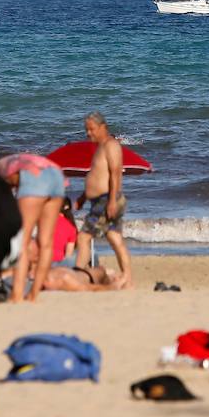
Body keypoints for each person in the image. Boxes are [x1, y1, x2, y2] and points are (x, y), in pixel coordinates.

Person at [0, 153, 66, 302]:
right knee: (46, 243)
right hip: (57, 175)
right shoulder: (14, 160)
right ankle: (34, 293)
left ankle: (17, 294)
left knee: (22, 241)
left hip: (34, 177)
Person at [74, 112, 132, 288]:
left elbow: (115, 173)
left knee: (83, 238)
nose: (88, 133)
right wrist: (83, 198)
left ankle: (77, 274)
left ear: (102, 127)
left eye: (91, 129)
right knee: (115, 239)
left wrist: (112, 200)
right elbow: (98, 175)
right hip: (101, 199)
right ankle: (128, 281)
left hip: (106, 199)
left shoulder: (111, 145)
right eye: (86, 130)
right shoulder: (100, 147)